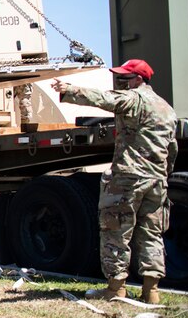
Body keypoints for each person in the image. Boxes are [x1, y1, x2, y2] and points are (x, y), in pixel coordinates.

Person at [51, 59, 178, 303]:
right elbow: (171, 148)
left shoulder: (134, 99)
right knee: (152, 234)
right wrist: (164, 173)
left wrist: (68, 89)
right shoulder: (166, 108)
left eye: (124, 79)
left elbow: (105, 98)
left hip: (128, 179)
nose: (120, 83)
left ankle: (116, 288)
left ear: (139, 80)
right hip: (156, 180)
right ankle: (151, 292)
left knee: (115, 232)